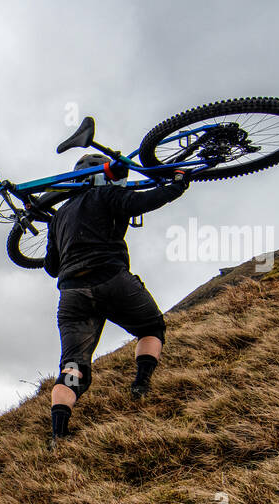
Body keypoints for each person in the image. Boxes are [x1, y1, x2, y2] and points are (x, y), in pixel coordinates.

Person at [42, 154, 190, 450]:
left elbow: (51, 267)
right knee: (151, 328)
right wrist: (178, 184)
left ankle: (59, 435)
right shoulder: (105, 194)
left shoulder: (59, 215)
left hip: (72, 293)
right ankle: (141, 384)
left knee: (73, 365)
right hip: (111, 278)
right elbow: (144, 202)